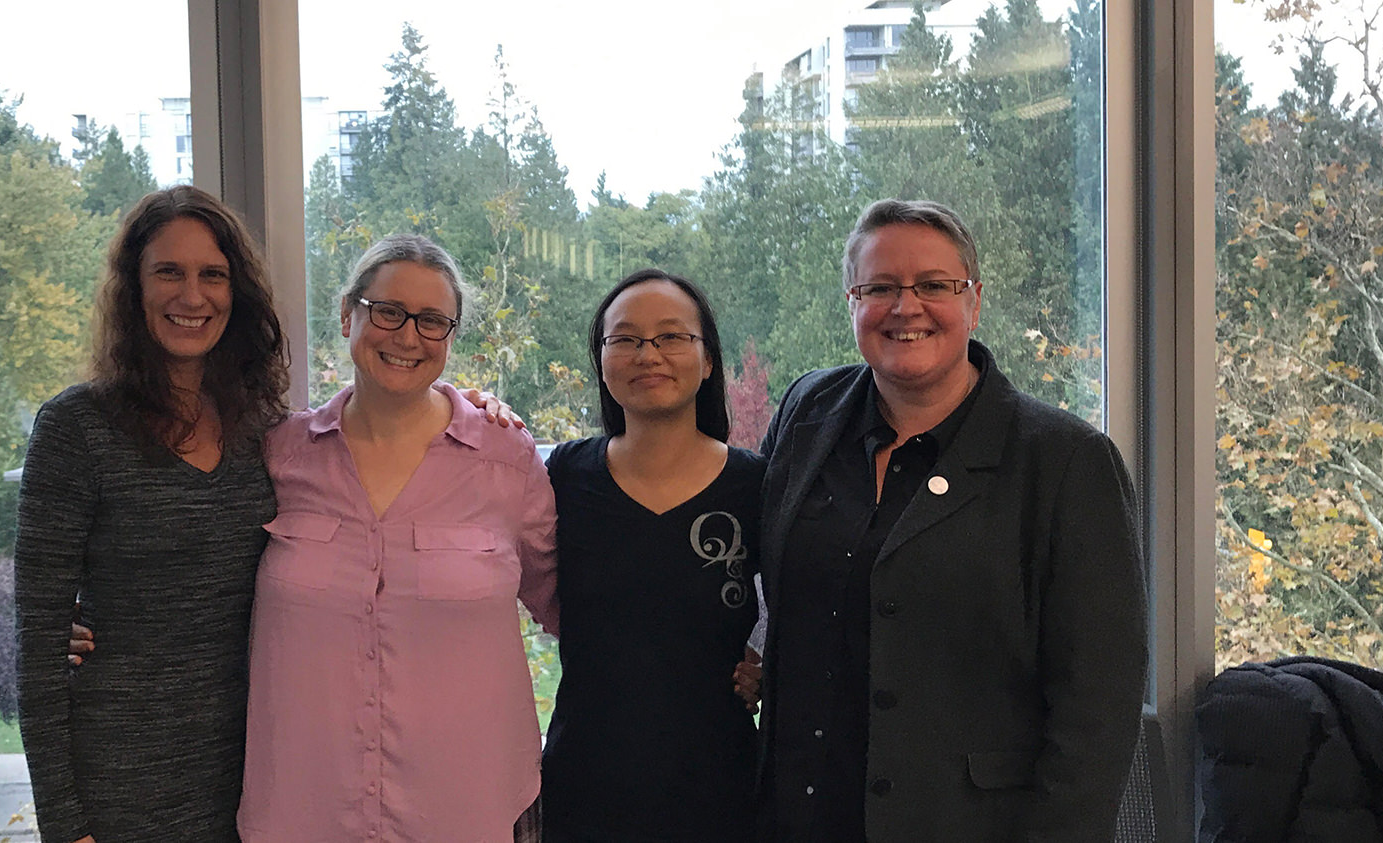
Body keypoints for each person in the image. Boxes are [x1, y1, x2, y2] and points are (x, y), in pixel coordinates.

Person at [755, 199, 1147, 841]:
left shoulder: (1066, 462)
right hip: (796, 816)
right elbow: (758, 563)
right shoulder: (808, 410)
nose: (905, 308)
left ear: (974, 300)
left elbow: (1096, 713)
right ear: (851, 301)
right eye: (879, 287)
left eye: (934, 286)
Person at [237, 234, 558, 842]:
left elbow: (572, 604)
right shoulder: (278, 454)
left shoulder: (505, 459)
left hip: (468, 813)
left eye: (432, 321)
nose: (408, 336)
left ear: (450, 336)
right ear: (347, 313)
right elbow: (200, 563)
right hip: (304, 814)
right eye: (388, 311)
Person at [14, 185, 288, 843]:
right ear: (133, 288)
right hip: (117, 792)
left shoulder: (265, 429)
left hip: (255, 783)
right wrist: (64, 822)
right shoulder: (75, 429)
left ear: (236, 291)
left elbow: (363, 439)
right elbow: (41, 644)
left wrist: (462, 404)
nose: (192, 296)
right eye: (169, 271)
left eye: (212, 274)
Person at [538, 270, 763, 842]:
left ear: (708, 359)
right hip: (585, 790)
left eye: (670, 337)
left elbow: (812, 602)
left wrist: (773, 667)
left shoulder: (757, 486)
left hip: (724, 793)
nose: (648, 354)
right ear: (602, 358)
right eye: (626, 339)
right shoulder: (561, 476)